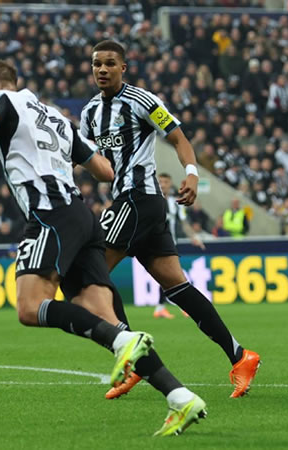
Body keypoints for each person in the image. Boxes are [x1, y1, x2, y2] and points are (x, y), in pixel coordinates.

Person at [0, 59, 206, 437]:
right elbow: (104, 170)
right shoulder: (54, 116)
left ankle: (126, 341)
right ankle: (180, 397)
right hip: (82, 216)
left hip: (50, 215)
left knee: (29, 307)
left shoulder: (2, 100)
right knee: (107, 322)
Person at [82, 41, 259, 400]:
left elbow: (179, 139)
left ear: (123, 67)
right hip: (135, 203)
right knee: (177, 287)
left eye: (110, 63)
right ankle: (240, 356)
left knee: (90, 275)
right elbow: (91, 161)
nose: (102, 69)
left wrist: (192, 173)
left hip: (139, 198)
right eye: (97, 64)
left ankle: (133, 359)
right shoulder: (89, 113)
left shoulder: (142, 100)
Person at [152, 173, 206, 320]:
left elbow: (184, 222)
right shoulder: (151, 200)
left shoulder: (175, 203)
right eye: (160, 181)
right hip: (154, 244)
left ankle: (161, 308)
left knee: (167, 276)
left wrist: (194, 237)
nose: (163, 184)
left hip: (171, 244)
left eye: (165, 182)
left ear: (170, 184)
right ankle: (184, 306)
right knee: (174, 276)